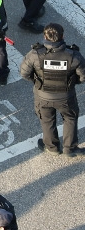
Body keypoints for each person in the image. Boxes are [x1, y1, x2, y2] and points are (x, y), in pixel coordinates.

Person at [18, 23, 84, 157]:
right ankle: (70, 148)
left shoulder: (35, 54)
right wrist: (71, 83)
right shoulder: (73, 56)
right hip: (65, 96)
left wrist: (38, 83)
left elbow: (24, 73)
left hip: (43, 96)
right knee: (70, 119)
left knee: (47, 120)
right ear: (62, 36)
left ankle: (52, 147)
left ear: (44, 36)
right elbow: (83, 76)